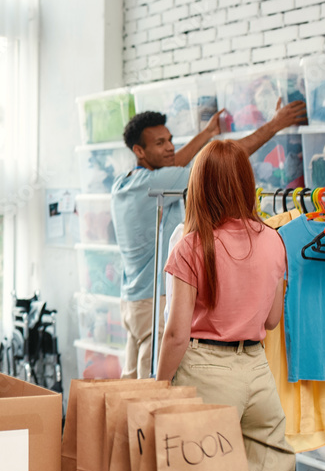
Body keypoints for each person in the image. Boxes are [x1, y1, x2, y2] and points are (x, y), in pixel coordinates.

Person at [156, 140, 325, 471]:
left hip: (207, 373)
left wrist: (157, 385)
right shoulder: (273, 240)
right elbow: (271, 320)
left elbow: (176, 333)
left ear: (199, 185)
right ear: (247, 184)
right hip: (256, 374)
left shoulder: (191, 244)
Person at [112, 99, 307, 378]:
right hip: (154, 302)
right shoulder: (157, 185)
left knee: (129, 384)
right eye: (159, 143)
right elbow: (222, 165)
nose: (170, 147)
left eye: (170, 140)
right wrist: (275, 124)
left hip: (131, 302)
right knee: (150, 392)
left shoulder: (123, 183)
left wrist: (207, 133)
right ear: (139, 151)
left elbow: (179, 162)